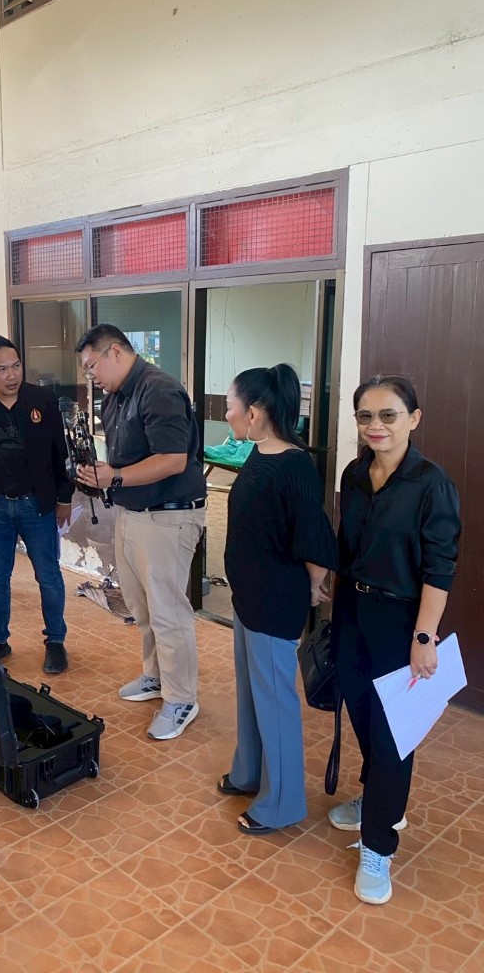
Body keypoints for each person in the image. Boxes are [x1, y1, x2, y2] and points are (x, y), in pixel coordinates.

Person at [329, 375, 460, 905]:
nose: (375, 426)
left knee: (392, 735)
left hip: (403, 621)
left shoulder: (432, 484)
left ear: (414, 418)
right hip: (352, 610)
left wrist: (424, 636)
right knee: (363, 714)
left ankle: (379, 844)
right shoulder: (354, 474)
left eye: (388, 415)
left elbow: (439, 568)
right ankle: (377, 796)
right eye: (365, 416)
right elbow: (349, 544)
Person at [219, 364, 338, 834]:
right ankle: (249, 772)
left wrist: (312, 586)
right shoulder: (258, 453)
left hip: (273, 603)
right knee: (251, 694)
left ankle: (282, 804)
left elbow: (313, 539)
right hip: (248, 598)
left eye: (230, 406)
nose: (226, 414)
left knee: (275, 702)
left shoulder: (294, 465)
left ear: (253, 412)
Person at [75, 324, 206, 741]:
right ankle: (156, 676)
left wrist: (114, 476)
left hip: (168, 516)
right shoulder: (117, 395)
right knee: (141, 605)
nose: (90, 375)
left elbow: (172, 460)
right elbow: (124, 458)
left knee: (168, 611)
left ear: (115, 352)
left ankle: (181, 698)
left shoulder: (159, 390)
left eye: (92, 366)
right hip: (132, 512)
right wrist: (101, 474)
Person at [0, 334, 73, 674]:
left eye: (17, 366)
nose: (12, 376)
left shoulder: (43, 400)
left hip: (36, 505)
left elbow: (61, 453)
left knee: (48, 575)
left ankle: (55, 641)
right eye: (2, 369)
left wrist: (64, 498)